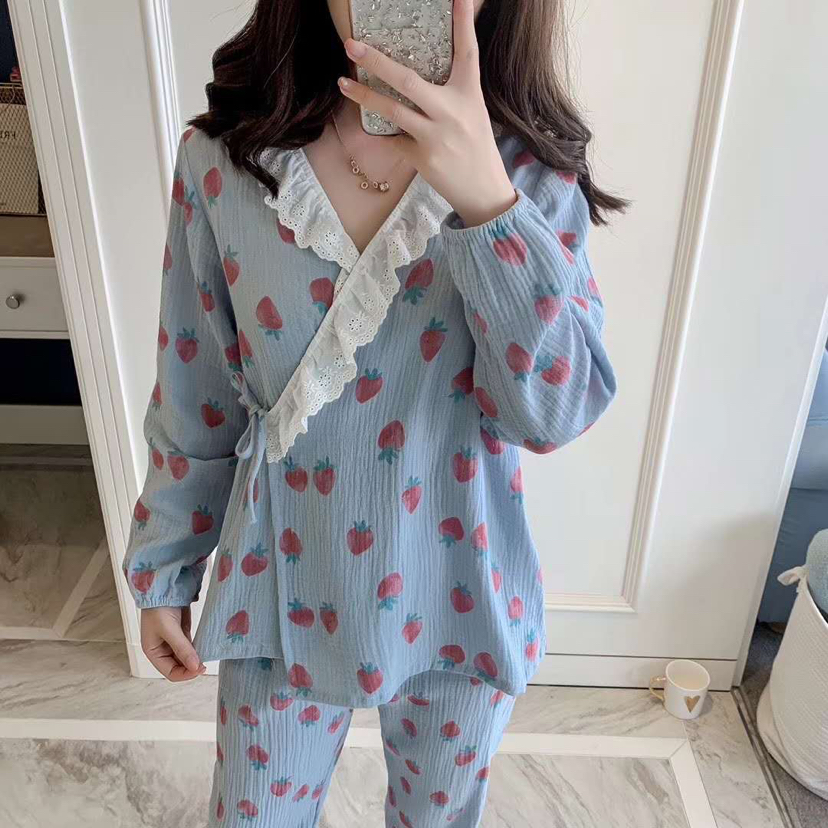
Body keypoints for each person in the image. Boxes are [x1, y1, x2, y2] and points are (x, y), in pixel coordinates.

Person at [121, 0, 623, 824]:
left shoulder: (531, 175)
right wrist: (166, 566)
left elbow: (554, 413)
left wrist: (486, 201)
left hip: (458, 592)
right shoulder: (227, 161)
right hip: (279, 591)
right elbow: (195, 390)